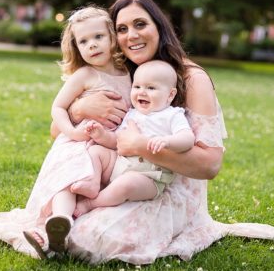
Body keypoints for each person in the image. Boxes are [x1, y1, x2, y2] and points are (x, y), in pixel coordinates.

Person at [0, 0, 274, 265]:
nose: (131, 35)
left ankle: (66, 226)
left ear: (160, 27)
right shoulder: (119, 69)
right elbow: (59, 135)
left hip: (160, 182)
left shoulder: (189, 78)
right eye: (122, 29)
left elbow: (210, 165)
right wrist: (81, 108)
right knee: (76, 196)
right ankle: (58, 225)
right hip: (113, 169)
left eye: (140, 24)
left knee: (98, 237)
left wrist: (140, 146)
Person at [0, 6, 132, 258]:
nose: (92, 45)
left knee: (91, 187)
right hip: (78, 143)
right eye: (84, 41)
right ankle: (60, 221)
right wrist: (73, 132)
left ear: (113, 37)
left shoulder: (128, 74)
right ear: (76, 47)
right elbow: (58, 107)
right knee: (69, 180)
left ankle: (70, 228)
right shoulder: (85, 75)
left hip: (108, 147)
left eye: (98, 37)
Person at [75, 60, 194, 216]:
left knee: (126, 184)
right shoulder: (132, 113)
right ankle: (93, 182)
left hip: (149, 177)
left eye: (151, 88)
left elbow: (188, 138)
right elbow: (118, 141)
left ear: (170, 95)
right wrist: (101, 135)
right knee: (95, 151)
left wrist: (168, 141)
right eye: (137, 86)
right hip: (120, 163)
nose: (142, 92)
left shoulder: (172, 115)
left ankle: (91, 203)